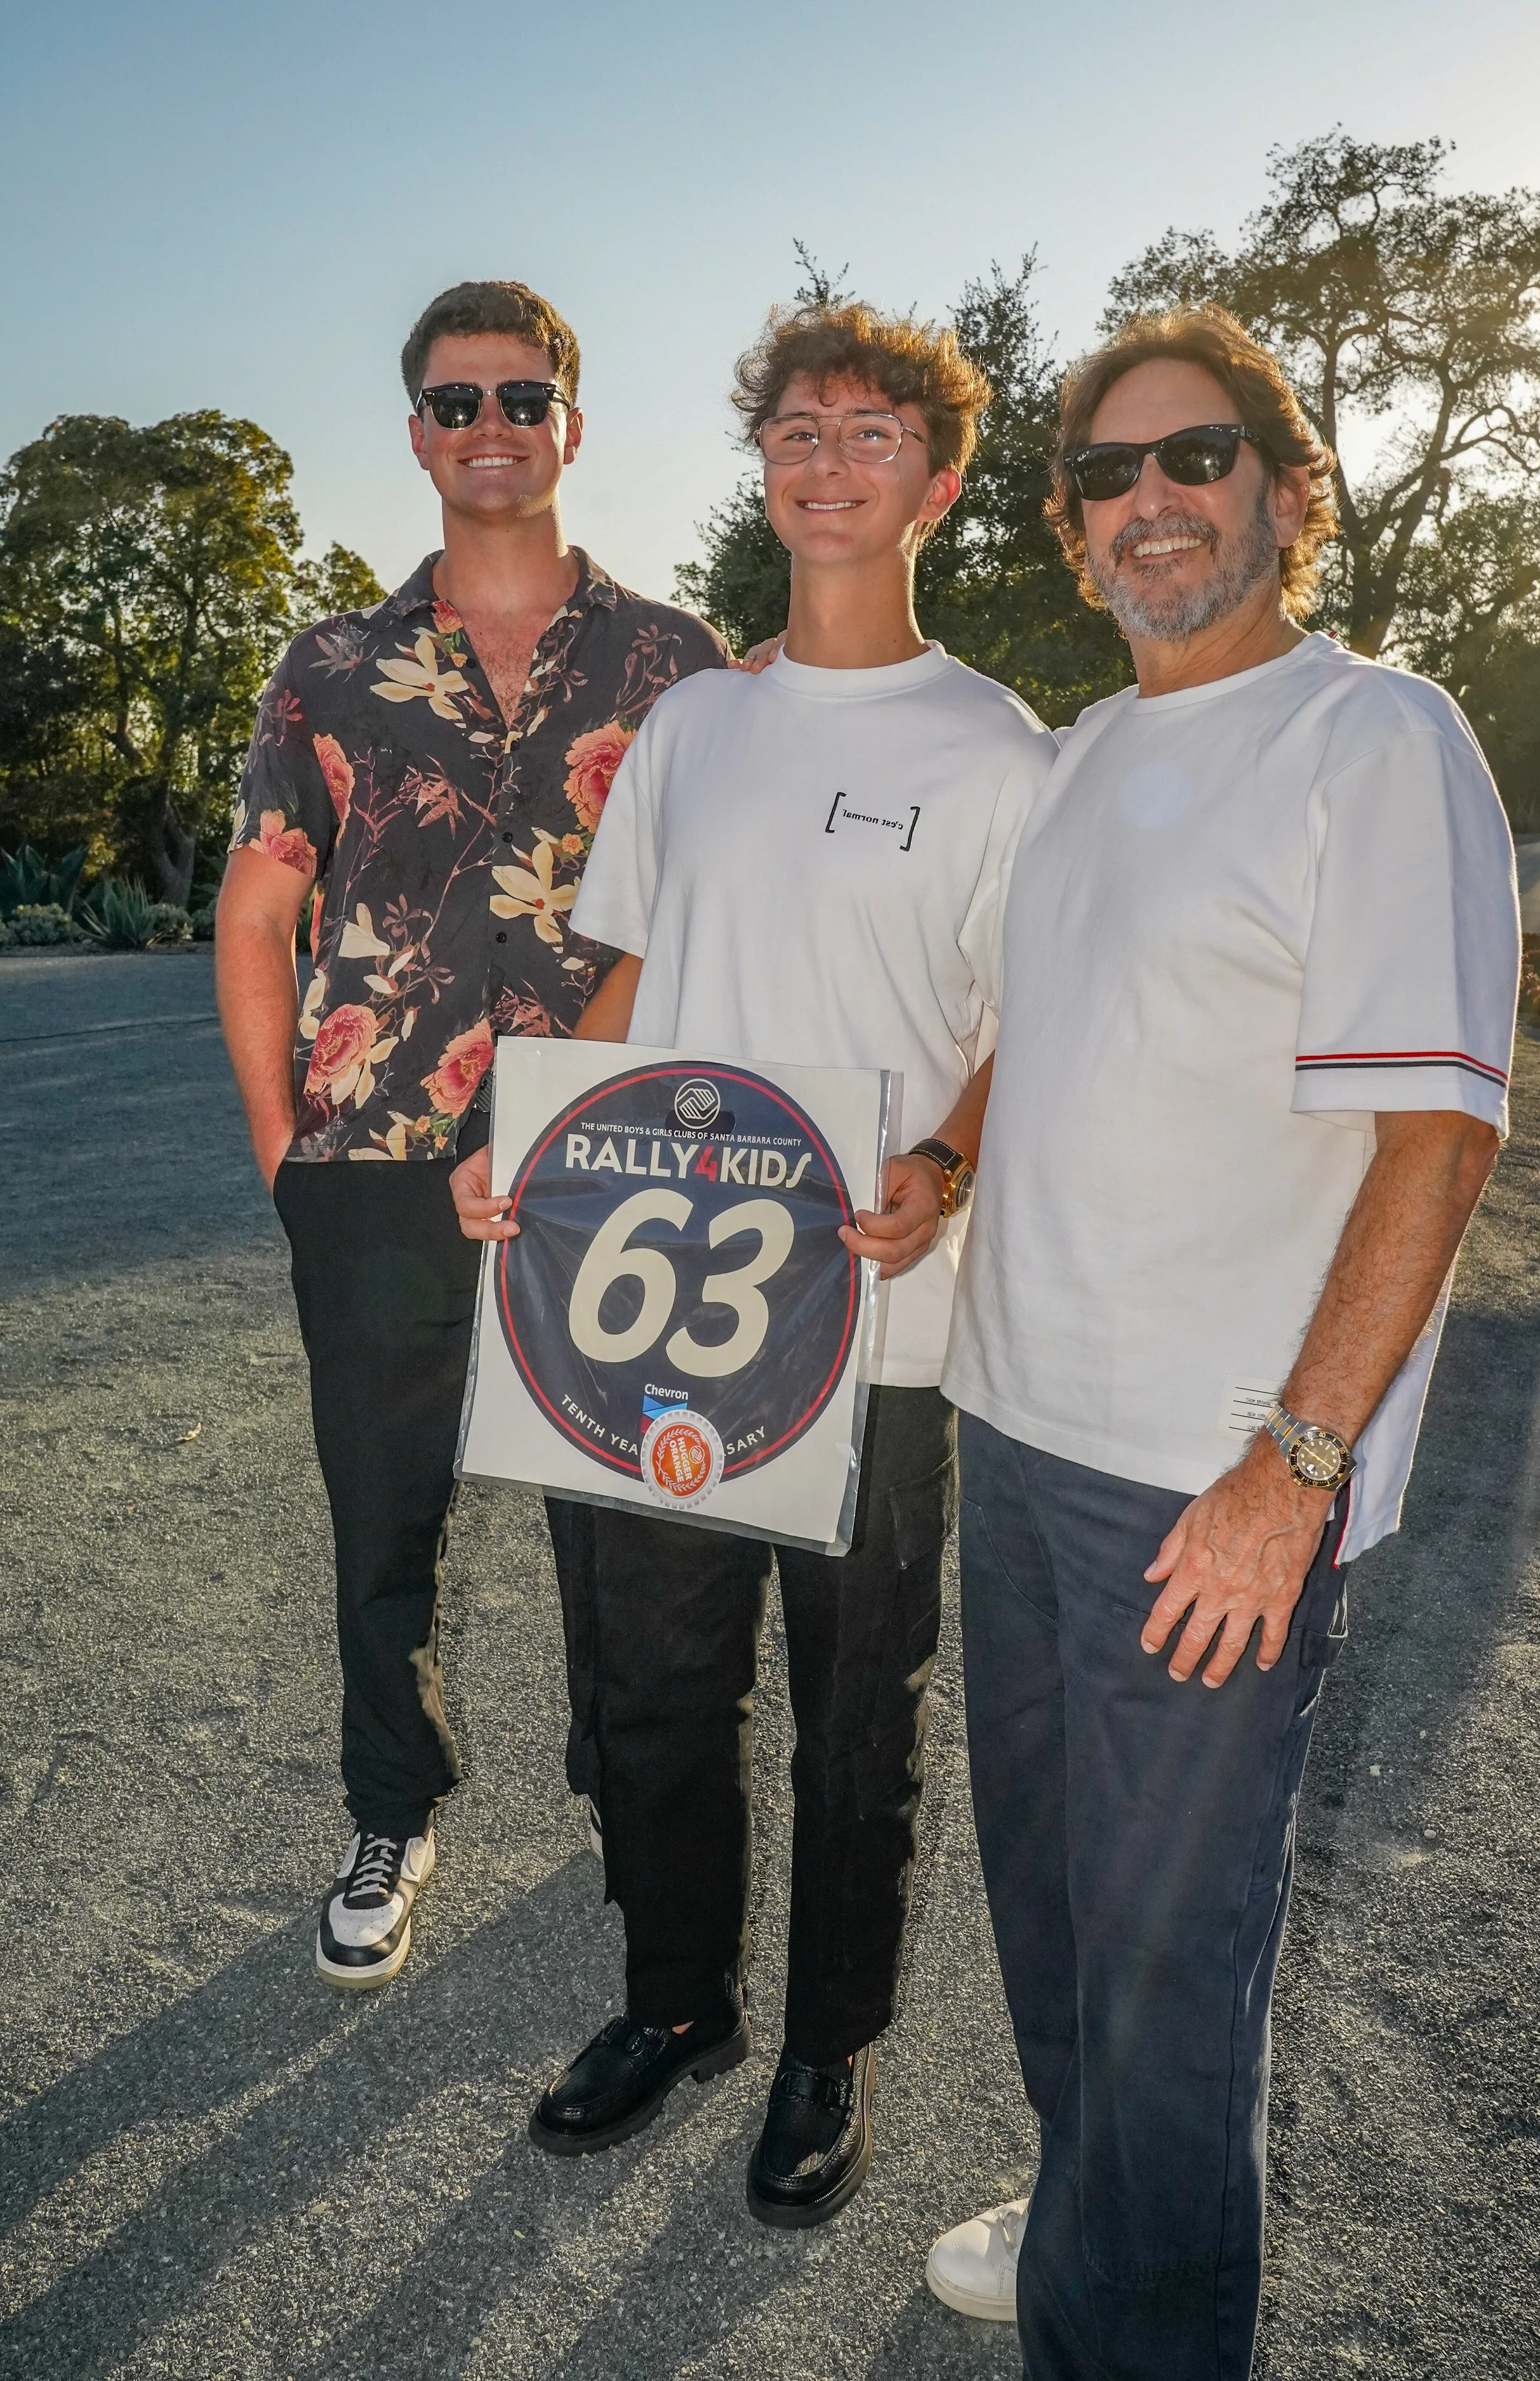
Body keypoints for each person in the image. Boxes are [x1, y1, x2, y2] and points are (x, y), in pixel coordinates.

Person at [927, 305, 1519, 2375]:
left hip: (1206, 1484)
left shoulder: (1373, 736)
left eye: (1192, 459)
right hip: (1009, 1432)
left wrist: (1292, 1465)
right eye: (1105, 475)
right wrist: (935, 1161)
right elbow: (1035, 1027)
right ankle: (1092, 2208)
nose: (1147, 501)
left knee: (1171, 1973)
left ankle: (1136, 2322)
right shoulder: (1083, 758)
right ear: (1075, 529)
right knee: (1050, 1910)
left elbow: (1436, 1128)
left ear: (1285, 491)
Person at [453, 298, 1058, 2225]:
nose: (823, 457)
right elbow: (625, 968)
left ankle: (824, 2047)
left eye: (869, 432)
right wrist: (534, 1153)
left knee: (852, 1715)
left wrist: (945, 1162)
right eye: (795, 428)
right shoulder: (697, 721)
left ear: (936, 482)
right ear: (764, 465)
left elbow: (1020, 1016)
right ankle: (676, 2005)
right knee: (652, 1685)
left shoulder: (996, 749)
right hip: (672, 1312)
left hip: (873, 1321)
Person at [215, 279, 726, 1989]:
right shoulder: (334, 666)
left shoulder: (675, 664)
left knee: (623, 1511)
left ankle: (628, 1784)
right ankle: (391, 1800)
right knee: (384, 1514)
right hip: (375, 1164)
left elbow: (724, 908)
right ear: (416, 431)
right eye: (456, 402)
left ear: (572, 425)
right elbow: (255, 906)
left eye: (522, 398)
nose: (489, 427)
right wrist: (286, 1141)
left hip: (610, 1161)